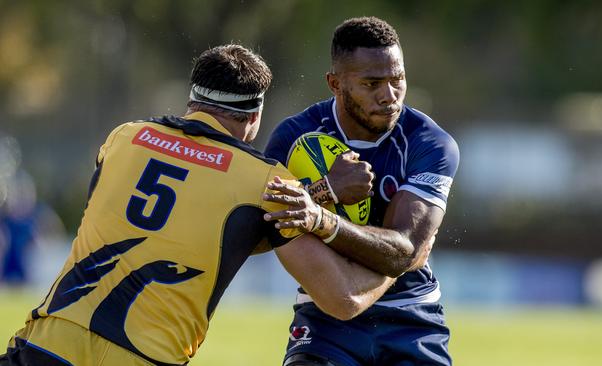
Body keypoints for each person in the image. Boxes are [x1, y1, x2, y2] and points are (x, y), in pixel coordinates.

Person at [0, 44, 395, 366]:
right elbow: (339, 298)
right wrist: (397, 257)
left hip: (46, 344)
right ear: (255, 117)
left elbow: (174, 219)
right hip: (147, 356)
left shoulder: (125, 137)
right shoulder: (266, 180)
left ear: (192, 100)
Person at [263, 17, 460, 366]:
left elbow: (402, 252)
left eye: (397, 79)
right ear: (335, 84)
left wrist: (320, 218)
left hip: (411, 315)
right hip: (326, 320)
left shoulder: (430, 143)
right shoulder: (294, 138)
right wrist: (326, 190)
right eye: (372, 83)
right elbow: (263, 225)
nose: (389, 96)